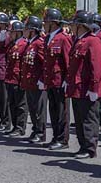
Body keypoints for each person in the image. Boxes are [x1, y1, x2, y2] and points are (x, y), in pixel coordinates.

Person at [66, 11, 101, 159]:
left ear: (81, 26)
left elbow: (96, 67)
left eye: (74, 24)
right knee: (80, 119)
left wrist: (94, 88)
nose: (72, 26)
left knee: (89, 119)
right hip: (78, 87)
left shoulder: (93, 41)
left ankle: (90, 148)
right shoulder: (79, 40)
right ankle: (83, 145)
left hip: (88, 88)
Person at [42, 8, 72, 150]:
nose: (44, 25)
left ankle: (62, 139)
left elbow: (68, 61)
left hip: (60, 80)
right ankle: (55, 137)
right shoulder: (48, 38)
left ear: (53, 23)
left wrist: (67, 79)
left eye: (46, 22)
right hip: (51, 80)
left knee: (61, 112)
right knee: (53, 111)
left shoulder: (63, 38)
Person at [21, 16, 47, 143]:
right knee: (32, 108)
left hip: (37, 82)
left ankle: (41, 132)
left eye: (26, 28)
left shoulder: (39, 43)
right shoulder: (30, 43)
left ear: (32, 30)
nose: (24, 31)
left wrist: (42, 79)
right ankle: (36, 130)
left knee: (38, 109)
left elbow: (44, 63)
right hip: (29, 81)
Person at [4, 20, 29, 136]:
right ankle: (15, 126)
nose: (10, 34)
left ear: (18, 33)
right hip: (10, 78)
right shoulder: (12, 44)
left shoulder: (24, 44)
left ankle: (20, 127)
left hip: (18, 78)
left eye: (12, 32)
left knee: (21, 105)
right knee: (12, 103)